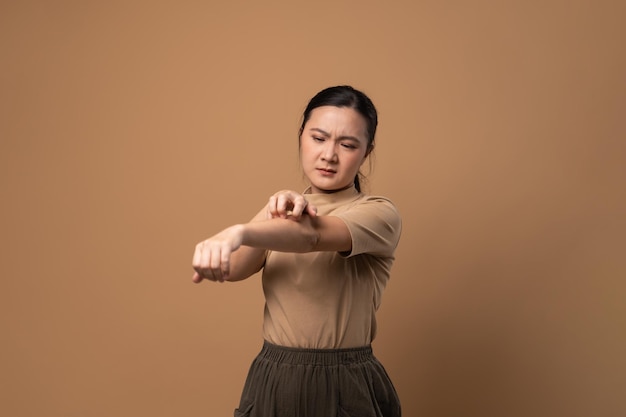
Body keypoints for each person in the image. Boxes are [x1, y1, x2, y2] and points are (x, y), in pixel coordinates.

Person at [192, 85, 402, 417]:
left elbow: (311, 238)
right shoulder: (281, 212)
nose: (329, 155)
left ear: (366, 152)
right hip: (274, 375)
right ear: (301, 136)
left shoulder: (379, 214)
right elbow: (232, 269)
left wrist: (238, 231)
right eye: (318, 138)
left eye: (347, 145)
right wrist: (271, 209)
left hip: (343, 380)